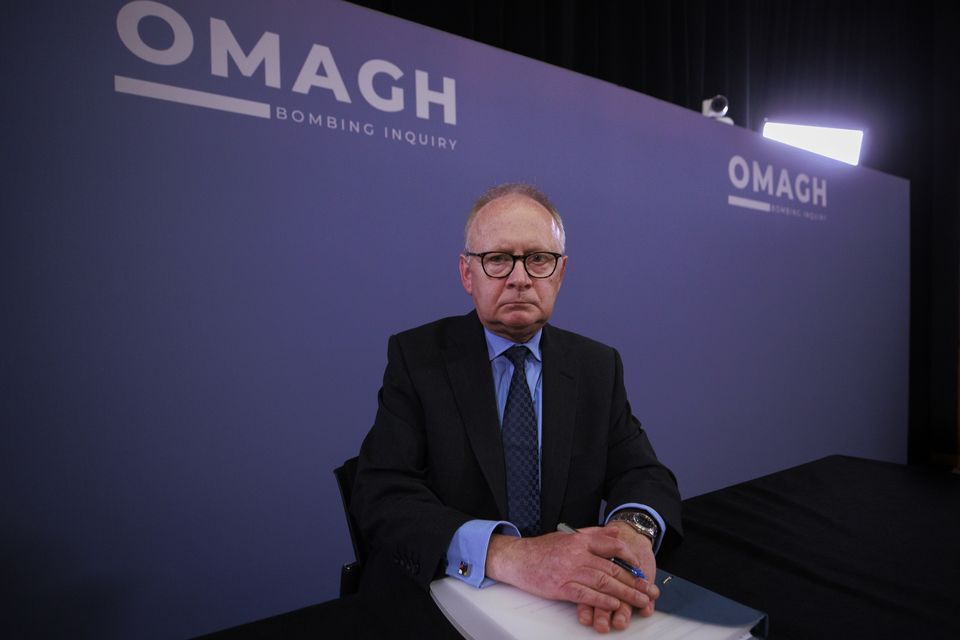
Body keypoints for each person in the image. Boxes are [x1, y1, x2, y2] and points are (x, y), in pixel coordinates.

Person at [351, 183, 682, 634]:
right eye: (498, 259)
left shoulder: (597, 366)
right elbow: (382, 492)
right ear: (468, 274)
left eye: (538, 259)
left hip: (566, 607)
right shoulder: (417, 357)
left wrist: (629, 533)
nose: (520, 277)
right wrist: (511, 555)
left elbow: (643, 472)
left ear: (560, 273)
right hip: (445, 599)